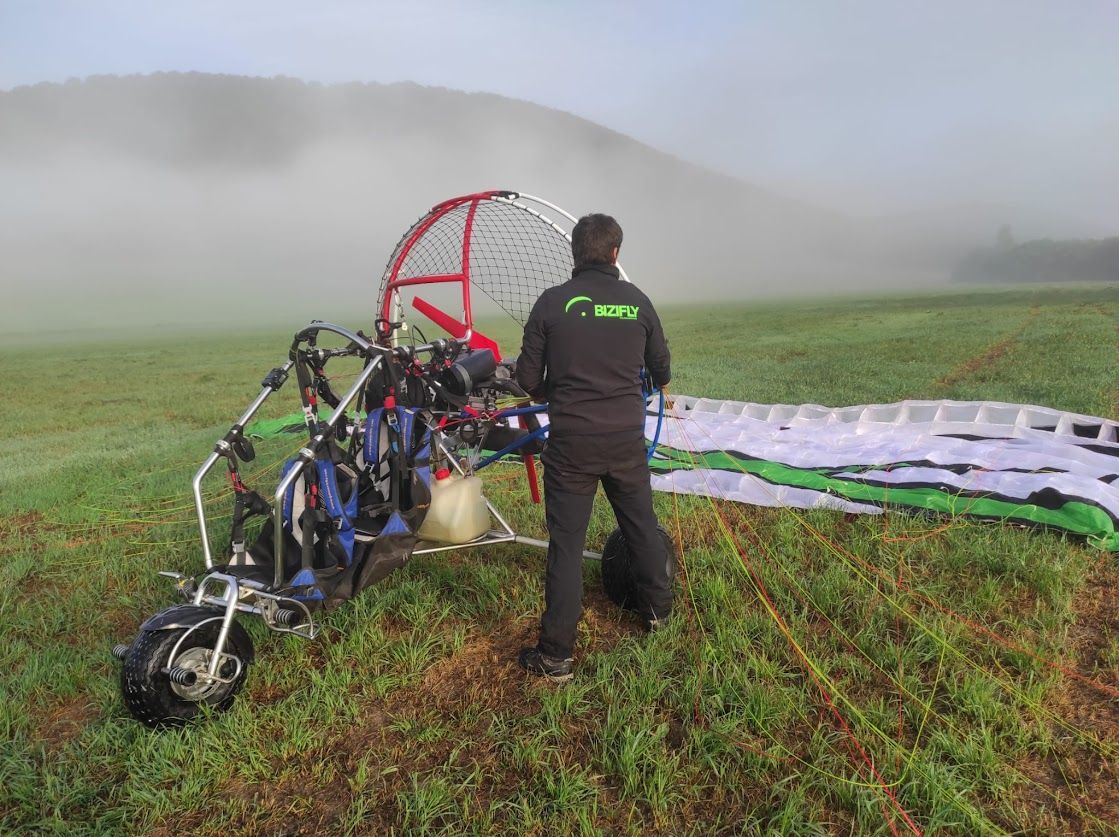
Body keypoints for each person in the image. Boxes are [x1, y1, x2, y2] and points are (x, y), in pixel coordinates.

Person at [514, 212, 673, 680]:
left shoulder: (551, 303)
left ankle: (555, 655)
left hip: (572, 448)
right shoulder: (637, 301)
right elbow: (661, 369)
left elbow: (527, 378)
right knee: (641, 527)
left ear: (575, 253)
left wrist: (556, 391)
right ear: (615, 253)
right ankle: (659, 613)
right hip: (625, 442)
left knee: (566, 545)